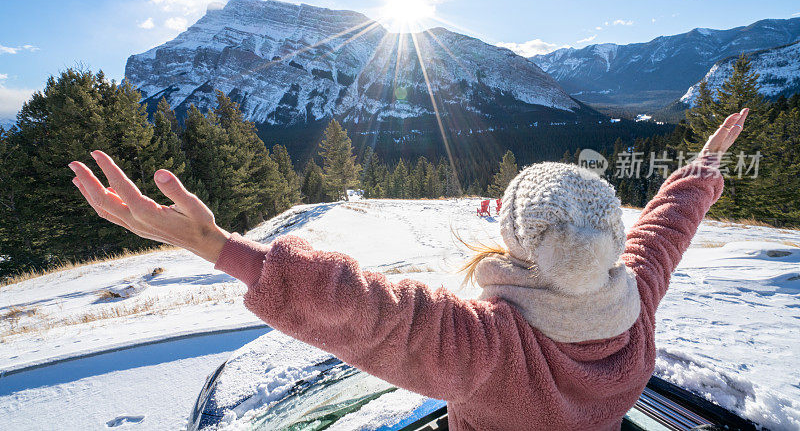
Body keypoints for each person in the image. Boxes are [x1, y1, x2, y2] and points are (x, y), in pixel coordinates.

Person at [68, 109, 748, 431]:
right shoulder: (634, 302)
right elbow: (666, 229)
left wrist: (220, 245)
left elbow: (361, 309)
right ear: (607, 244)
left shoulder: (488, 348)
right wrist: (704, 167)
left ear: (512, 246)